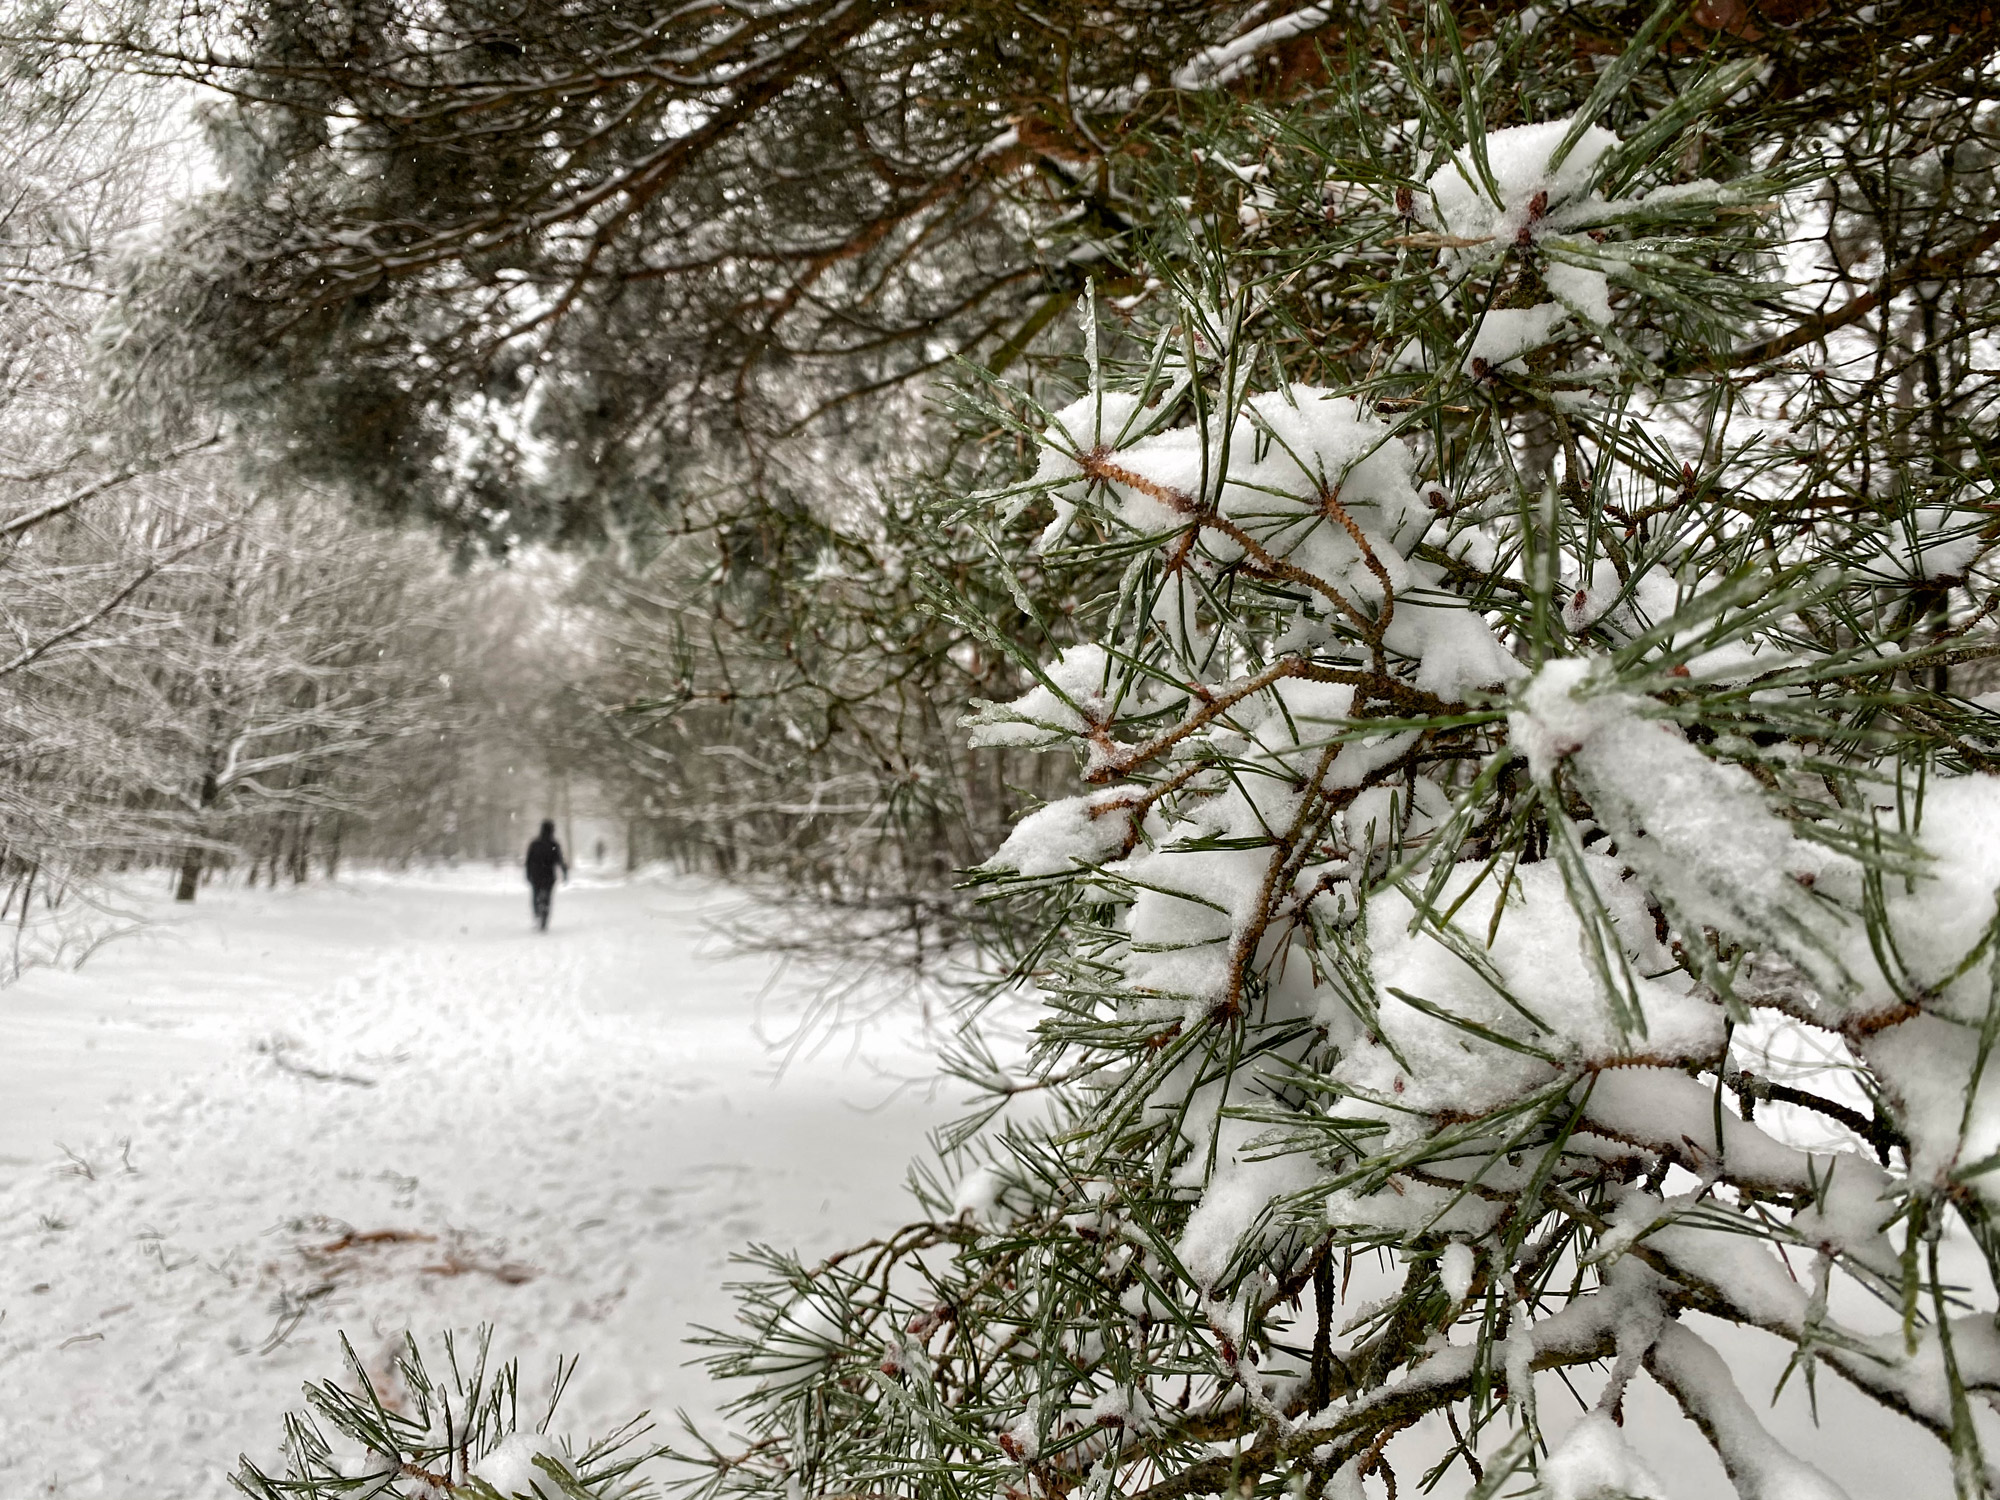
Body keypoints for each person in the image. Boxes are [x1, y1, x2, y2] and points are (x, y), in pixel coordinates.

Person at [524, 820, 568, 930]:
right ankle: (544, 918)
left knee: (535, 895)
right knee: (547, 897)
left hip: (536, 875)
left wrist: (528, 874)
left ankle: (537, 914)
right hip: (549, 876)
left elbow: (528, 861)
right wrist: (564, 872)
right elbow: (560, 860)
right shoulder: (554, 845)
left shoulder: (534, 844)